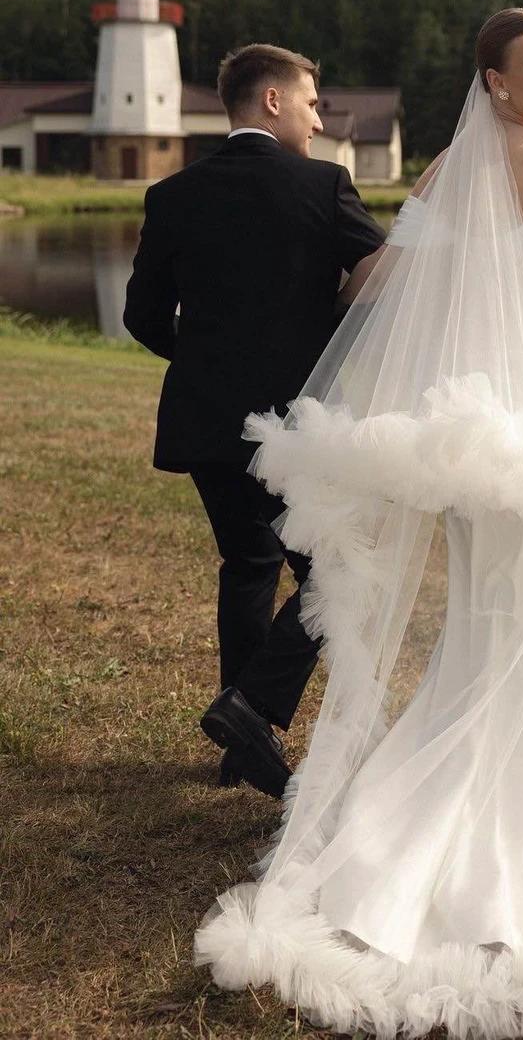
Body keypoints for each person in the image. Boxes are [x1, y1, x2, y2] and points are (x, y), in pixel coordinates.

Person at [193, 9, 523, 1038]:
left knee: (489, 623)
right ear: (495, 80)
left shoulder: (448, 170)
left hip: (466, 436)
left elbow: (383, 283)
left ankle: (412, 826)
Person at [123, 43, 385, 797]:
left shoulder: (172, 194)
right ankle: (253, 708)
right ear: (272, 101)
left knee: (248, 565)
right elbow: (382, 272)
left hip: (205, 419)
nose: (317, 119)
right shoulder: (322, 184)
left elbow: (142, 317)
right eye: (311, 103)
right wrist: (329, 329)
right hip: (294, 423)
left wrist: (208, 362)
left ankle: (241, 748)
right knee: (338, 573)